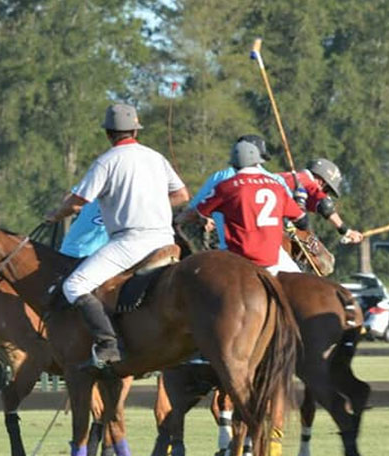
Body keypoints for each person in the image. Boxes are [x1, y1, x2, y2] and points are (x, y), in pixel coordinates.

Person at [45, 103, 189, 374]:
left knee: (74, 285)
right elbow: (182, 195)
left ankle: (108, 344)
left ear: (108, 133)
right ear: (135, 129)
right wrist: (151, 205)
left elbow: (78, 202)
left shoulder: (107, 161)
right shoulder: (156, 157)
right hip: (165, 239)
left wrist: (55, 214)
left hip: (131, 241)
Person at [180, 135, 309, 275]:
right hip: (274, 259)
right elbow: (302, 222)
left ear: (234, 162)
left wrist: (177, 219)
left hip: (236, 259)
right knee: (301, 287)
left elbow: (195, 213)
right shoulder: (276, 185)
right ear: (258, 160)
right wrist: (300, 200)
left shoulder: (225, 186)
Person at [279, 159, 363, 244]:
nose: (325, 193)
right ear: (321, 181)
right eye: (326, 190)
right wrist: (347, 232)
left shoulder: (282, 176)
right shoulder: (307, 182)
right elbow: (326, 205)